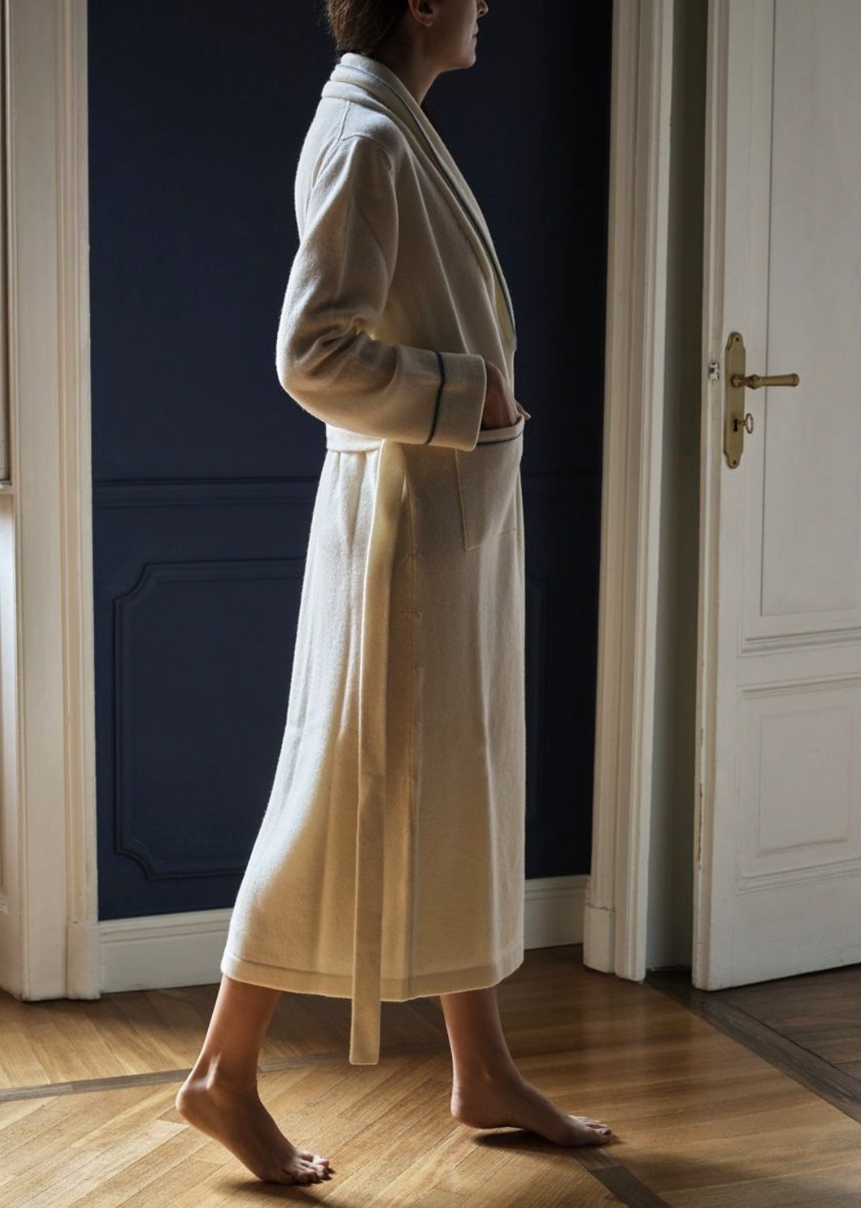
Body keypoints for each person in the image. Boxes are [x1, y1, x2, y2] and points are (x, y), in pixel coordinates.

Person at [175, 0, 613, 1186]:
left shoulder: (393, 122)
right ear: (419, 3)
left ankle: (480, 1067)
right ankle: (223, 1070)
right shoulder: (366, 135)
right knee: (334, 789)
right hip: (403, 531)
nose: (488, 8)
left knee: (461, 776)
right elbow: (310, 350)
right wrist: (460, 395)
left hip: (445, 521)